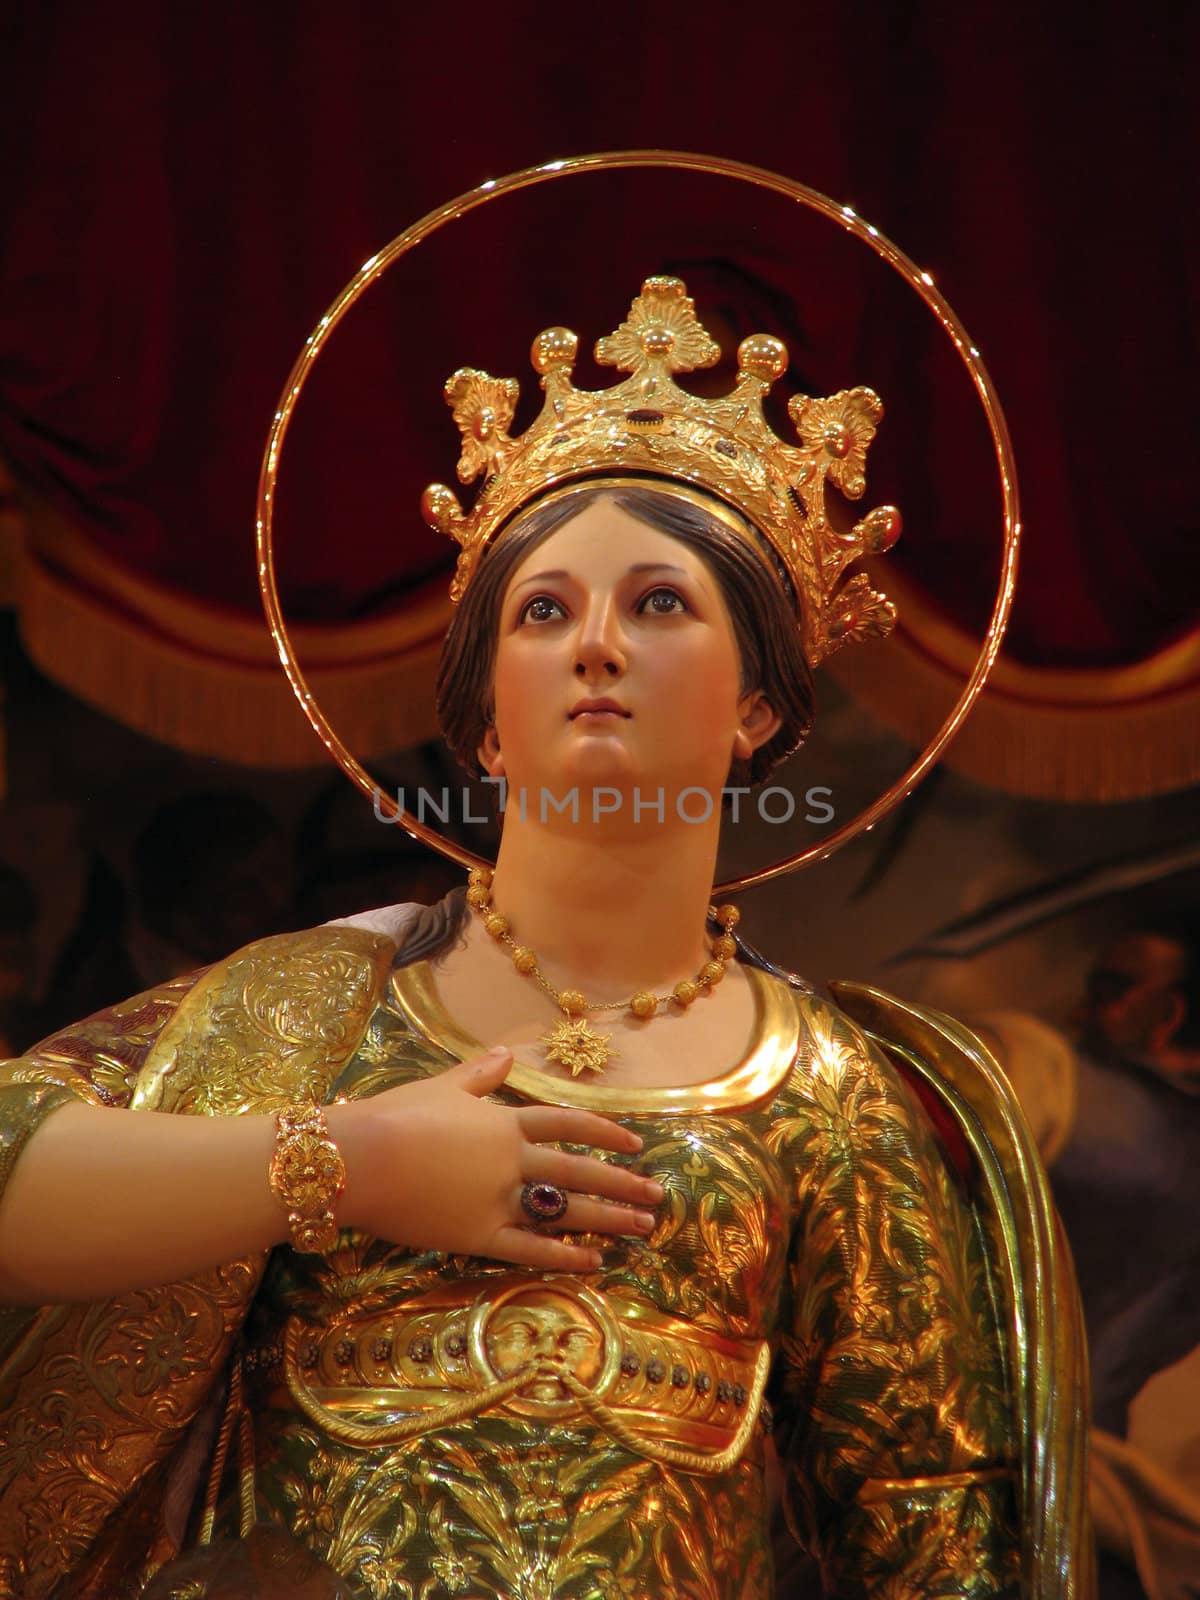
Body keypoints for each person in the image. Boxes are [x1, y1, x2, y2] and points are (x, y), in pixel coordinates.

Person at [0, 279, 1046, 1598]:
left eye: (662, 605)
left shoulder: (829, 1098)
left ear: (762, 709)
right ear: (486, 722)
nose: (596, 645)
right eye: (543, 612)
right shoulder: (314, 1019)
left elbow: (926, 1531)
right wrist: (348, 1167)